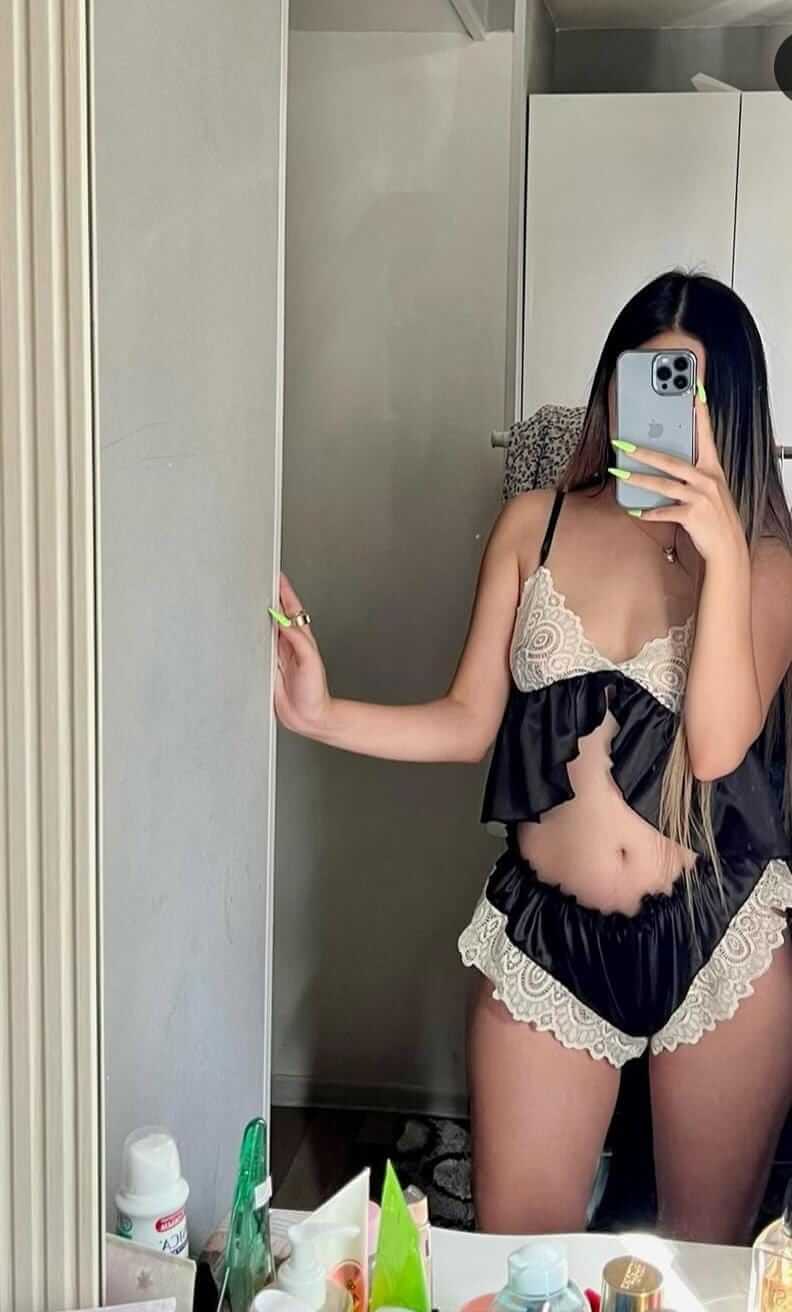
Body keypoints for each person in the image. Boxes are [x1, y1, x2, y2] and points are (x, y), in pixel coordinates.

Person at [271, 271, 792, 1244]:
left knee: (704, 1262)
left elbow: (719, 745)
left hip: (719, 936)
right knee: (521, 1257)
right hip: (548, 942)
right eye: (641, 381)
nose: (657, 414)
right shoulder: (535, 522)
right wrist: (321, 713)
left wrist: (719, 550)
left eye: (686, 389)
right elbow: (470, 721)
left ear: (731, 408)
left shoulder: (765, 563)